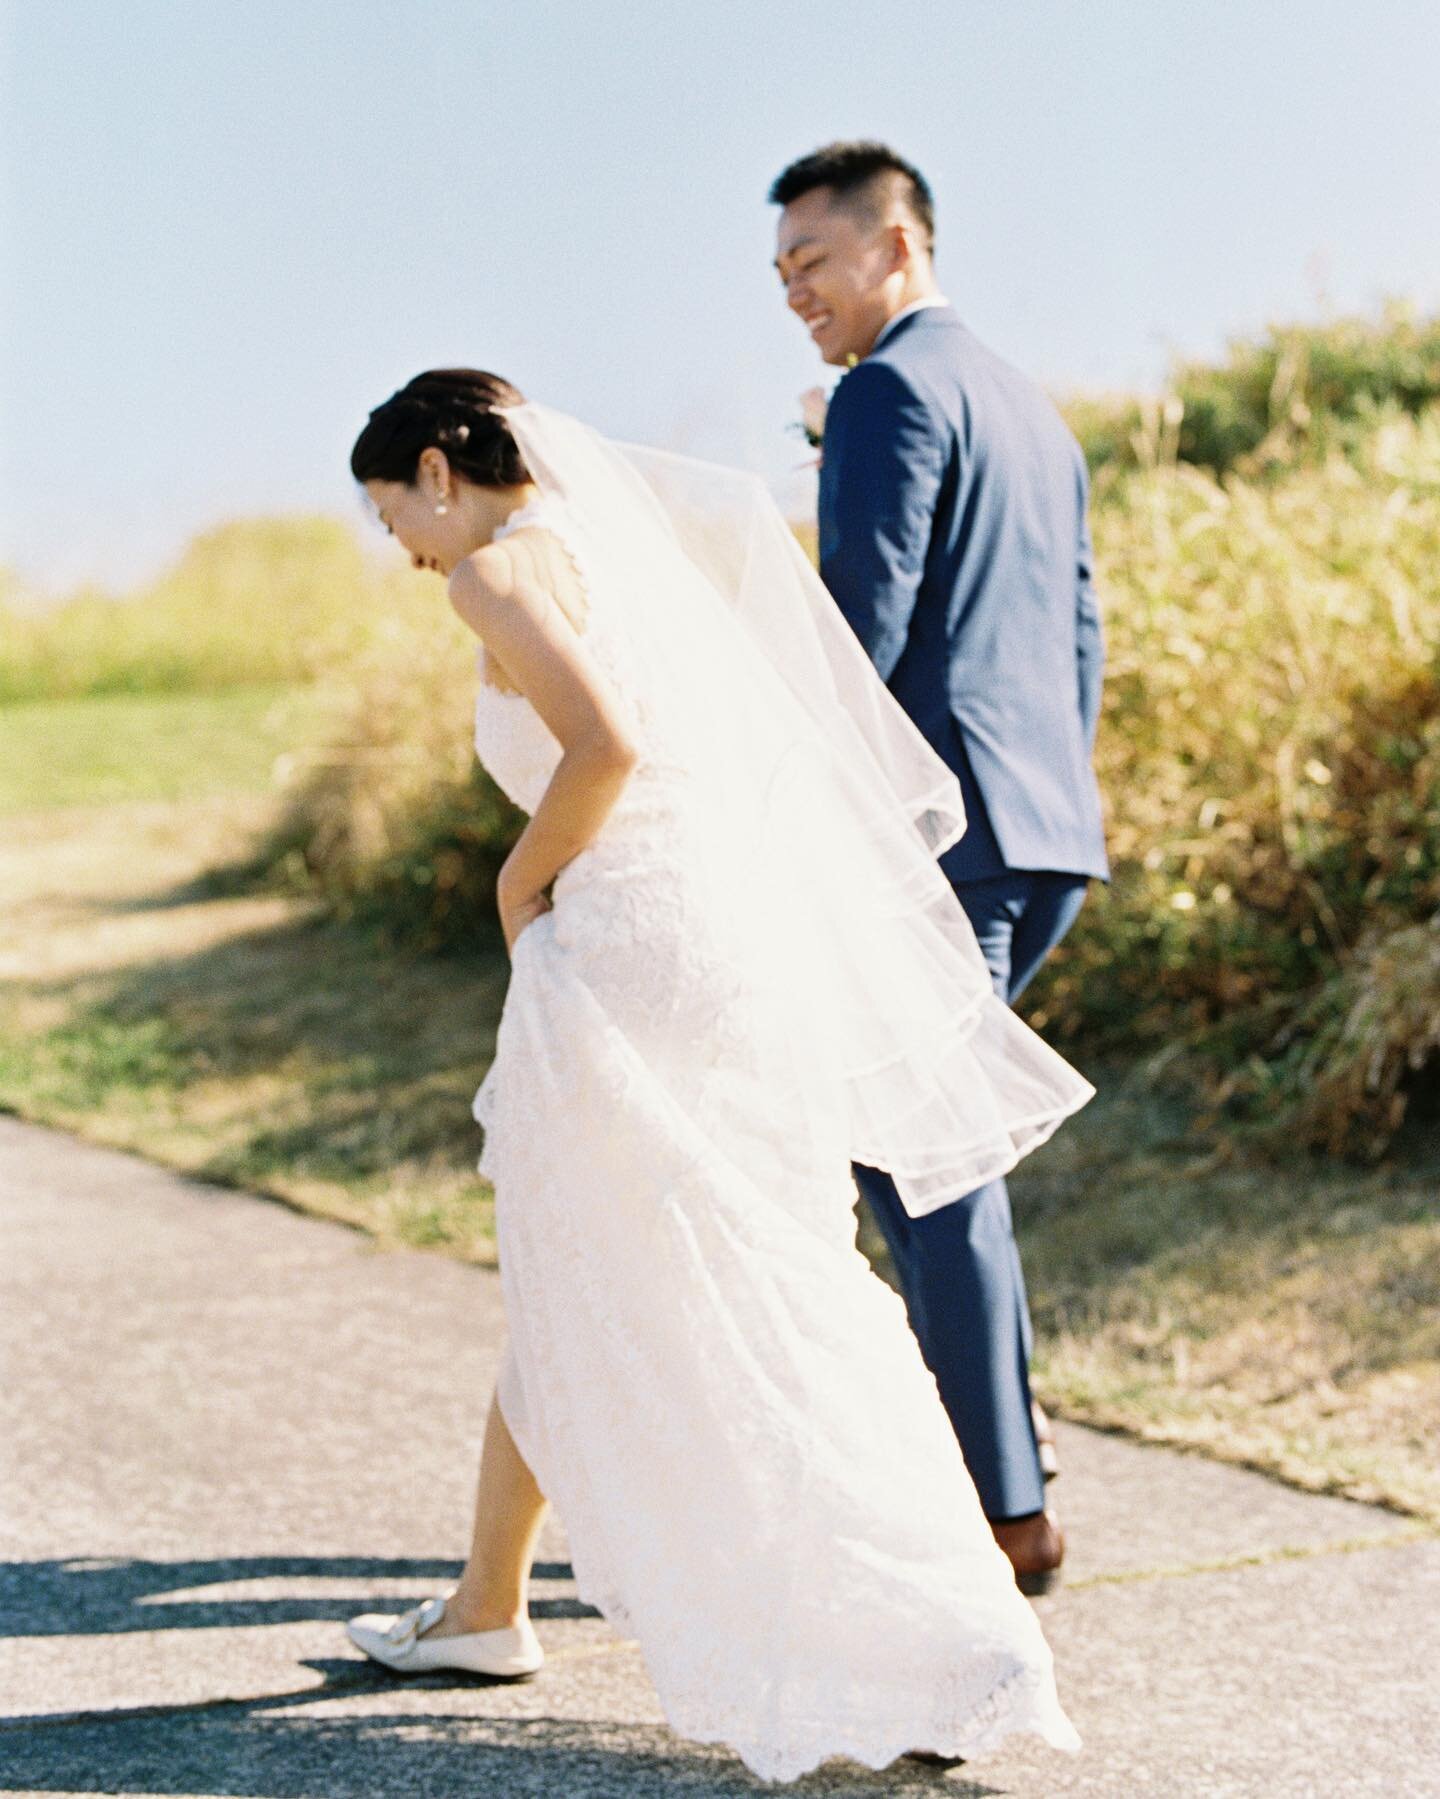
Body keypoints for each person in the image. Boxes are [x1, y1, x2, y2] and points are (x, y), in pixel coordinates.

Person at [341, 369, 1090, 1781]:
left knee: (671, 1276)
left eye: (396, 518)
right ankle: (485, 1606)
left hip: (625, 945)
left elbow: (605, 747)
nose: (406, 552)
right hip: (717, 942)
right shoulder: (610, 554)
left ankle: (919, 1632)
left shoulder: (494, 577)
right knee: (634, 1265)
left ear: (440, 470)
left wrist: (518, 883)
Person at [770, 142, 1108, 1592]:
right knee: (911, 1145)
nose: (798, 296)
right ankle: (983, 1471)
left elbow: (856, 627)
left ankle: (1002, 1508)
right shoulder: (1032, 409)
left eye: (816, 266)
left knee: (926, 1160)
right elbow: (1077, 631)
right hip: (1041, 834)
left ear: (896, 245)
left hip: (939, 845)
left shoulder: (889, 392)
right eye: (782, 277)